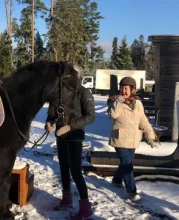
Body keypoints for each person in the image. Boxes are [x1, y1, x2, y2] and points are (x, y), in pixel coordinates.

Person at [45, 73, 95, 220]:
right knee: (63, 169)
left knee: (76, 172)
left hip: (75, 137)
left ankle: (86, 207)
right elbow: (53, 111)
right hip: (61, 136)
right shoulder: (59, 93)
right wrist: (49, 122)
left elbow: (90, 116)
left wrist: (70, 126)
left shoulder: (83, 93)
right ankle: (66, 199)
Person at [107, 77, 158, 201]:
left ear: (133, 90)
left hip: (133, 139)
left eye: (126, 88)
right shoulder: (114, 101)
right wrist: (119, 101)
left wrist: (150, 136)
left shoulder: (137, 103)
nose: (123, 91)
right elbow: (112, 114)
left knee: (126, 163)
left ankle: (116, 180)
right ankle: (132, 192)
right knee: (127, 164)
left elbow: (143, 120)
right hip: (119, 138)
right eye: (122, 88)